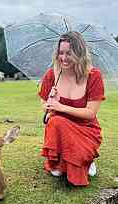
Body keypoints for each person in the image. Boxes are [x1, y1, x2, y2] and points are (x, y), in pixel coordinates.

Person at [38, 31, 105, 186]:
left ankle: (86, 159)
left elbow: (90, 113)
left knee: (58, 120)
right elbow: (46, 110)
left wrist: (61, 106)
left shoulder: (94, 76)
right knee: (56, 121)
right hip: (60, 128)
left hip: (86, 129)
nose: (64, 58)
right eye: (61, 53)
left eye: (69, 53)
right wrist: (50, 104)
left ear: (79, 53)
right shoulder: (51, 75)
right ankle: (60, 163)